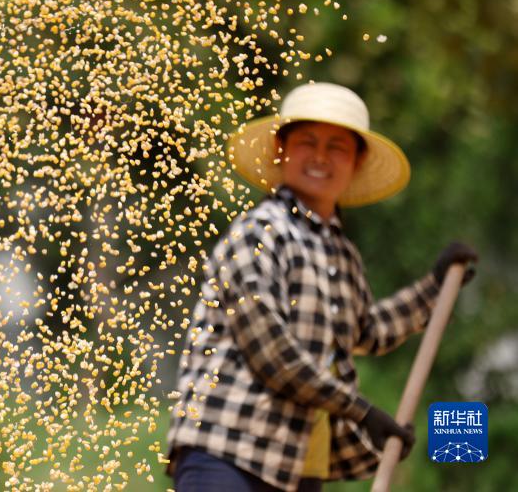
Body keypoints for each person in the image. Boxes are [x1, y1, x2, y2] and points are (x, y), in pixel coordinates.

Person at [164, 82, 478, 492]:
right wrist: (362, 412)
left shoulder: (341, 252)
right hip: (228, 450)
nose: (320, 157)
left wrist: (434, 289)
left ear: (357, 162)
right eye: (307, 142)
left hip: (297, 464)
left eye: (337, 147)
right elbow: (273, 354)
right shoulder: (258, 233)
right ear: (282, 150)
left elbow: (365, 331)